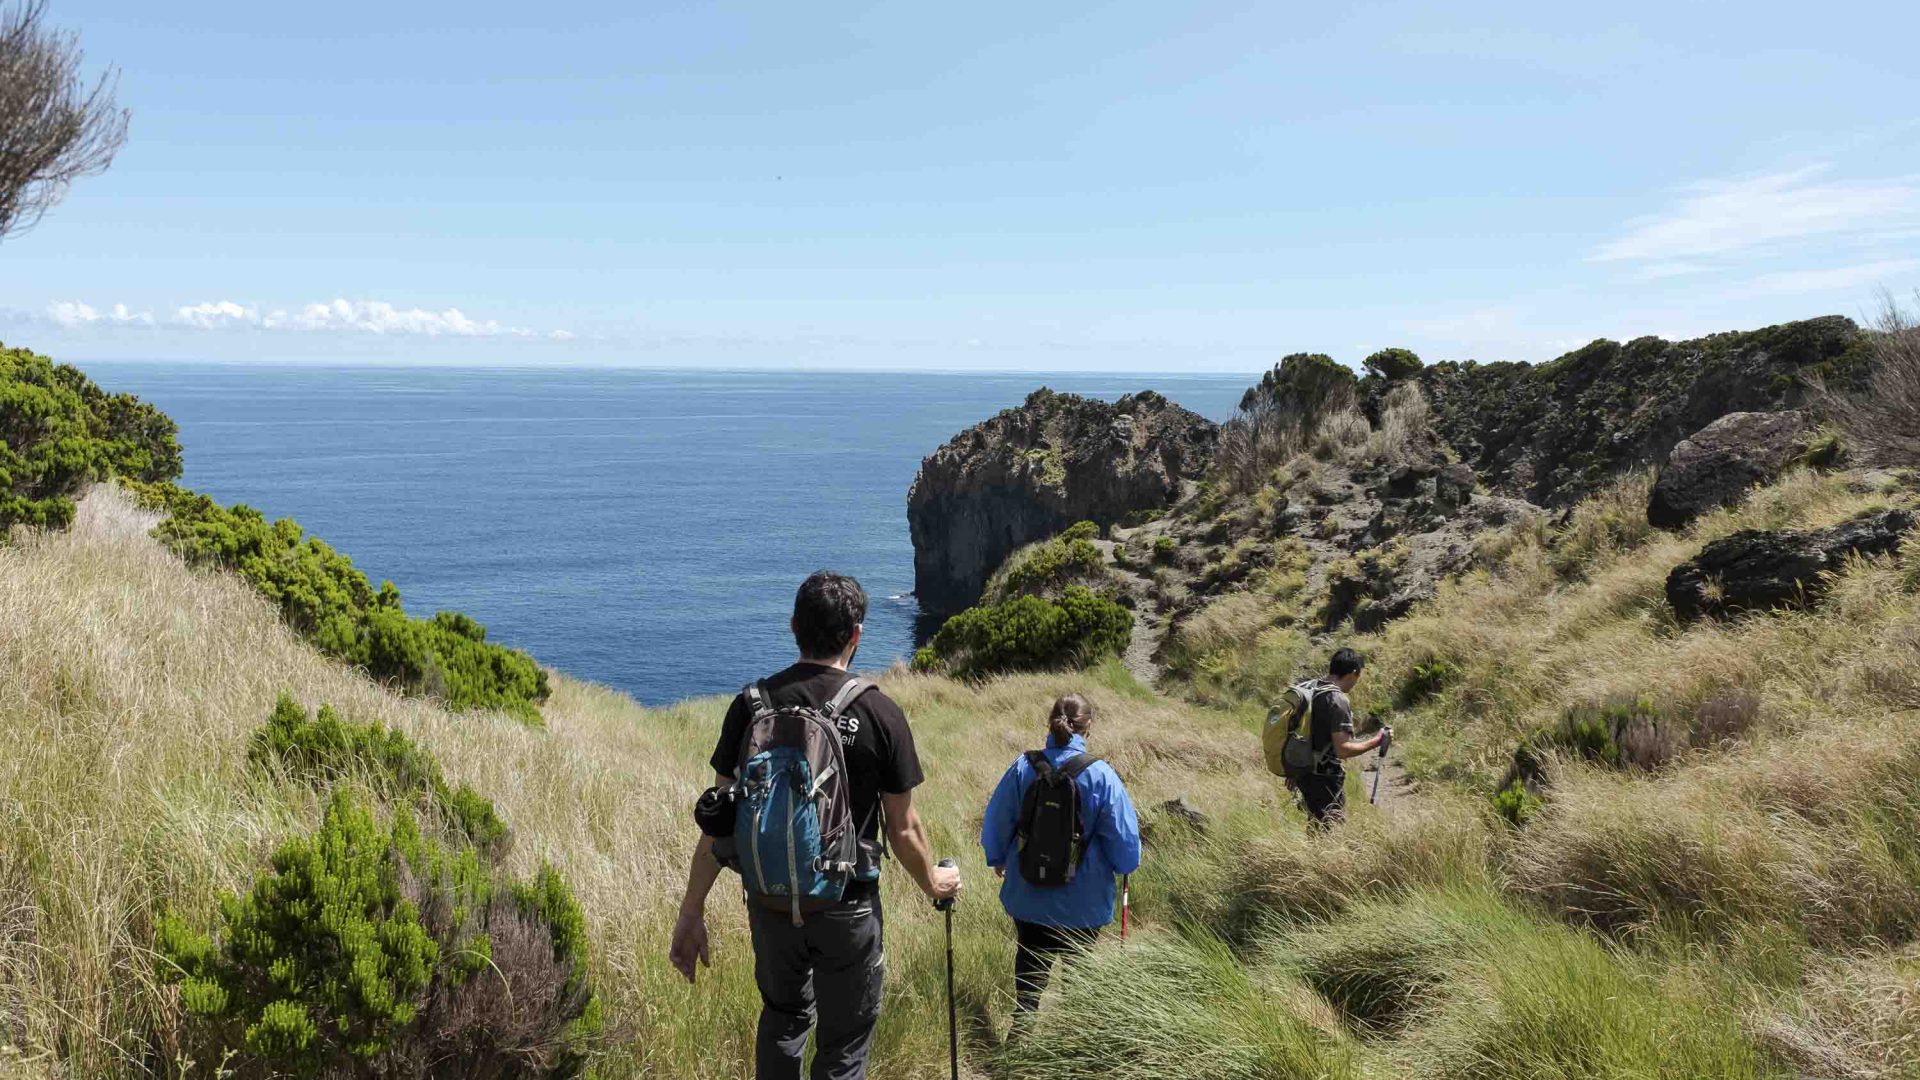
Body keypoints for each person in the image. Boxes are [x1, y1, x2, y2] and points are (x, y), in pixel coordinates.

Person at [668, 570, 963, 1080]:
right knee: (844, 1046)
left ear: (793, 626)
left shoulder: (749, 706)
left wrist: (691, 912)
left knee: (782, 1022)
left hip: (769, 902)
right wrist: (934, 883)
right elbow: (904, 829)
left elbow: (720, 822)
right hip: (847, 907)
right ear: (856, 634)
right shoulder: (879, 712)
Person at [979, 693, 1140, 1019]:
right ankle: (1071, 1049)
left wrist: (998, 858)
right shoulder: (1103, 776)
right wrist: (1124, 866)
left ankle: (1020, 1042)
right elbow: (1125, 848)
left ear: (1050, 723)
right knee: (1079, 986)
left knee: (1029, 977)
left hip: (1028, 894)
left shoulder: (1023, 767)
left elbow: (997, 820)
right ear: (1088, 726)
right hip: (1084, 906)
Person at [1297, 647, 1389, 830]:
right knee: (1331, 833)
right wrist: (1377, 741)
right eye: (1358, 676)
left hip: (1303, 773)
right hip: (1325, 778)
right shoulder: (1337, 700)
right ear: (1354, 673)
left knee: (1316, 827)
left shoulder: (1310, 689)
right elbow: (1343, 749)